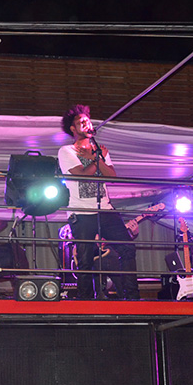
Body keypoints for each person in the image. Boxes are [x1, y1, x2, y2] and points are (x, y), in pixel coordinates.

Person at [57, 104, 139, 300]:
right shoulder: (67, 151)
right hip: (81, 212)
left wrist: (96, 158)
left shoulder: (99, 151)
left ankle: (132, 297)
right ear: (73, 129)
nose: (87, 123)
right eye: (81, 122)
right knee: (85, 259)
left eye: (88, 120)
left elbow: (112, 176)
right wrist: (96, 159)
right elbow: (81, 175)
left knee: (127, 248)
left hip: (106, 210)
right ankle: (85, 300)